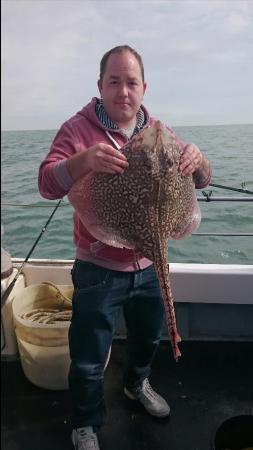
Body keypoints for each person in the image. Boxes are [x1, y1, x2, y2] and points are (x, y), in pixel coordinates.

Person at [38, 45, 211, 450]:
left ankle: (136, 384)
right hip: (98, 270)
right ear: (100, 86)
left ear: (143, 88)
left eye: (131, 82)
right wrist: (84, 161)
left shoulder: (158, 131)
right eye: (113, 82)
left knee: (146, 339)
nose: (123, 91)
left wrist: (199, 161)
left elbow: (201, 180)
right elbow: (47, 184)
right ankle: (85, 422)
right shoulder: (77, 130)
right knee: (88, 357)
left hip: (150, 265)